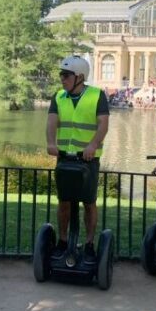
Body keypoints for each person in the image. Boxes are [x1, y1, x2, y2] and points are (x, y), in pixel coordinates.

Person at [46, 55, 110, 263]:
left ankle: (89, 244)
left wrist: (92, 145)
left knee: (89, 202)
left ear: (80, 77)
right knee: (64, 201)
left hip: (88, 160)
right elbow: (51, 123)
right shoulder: (58, 97)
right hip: (65, 157)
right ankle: (63, 241)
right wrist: (50, 143)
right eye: (61, 75)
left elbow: (103, 124)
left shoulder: (96, 96)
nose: (62, 79)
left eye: (66, 75)